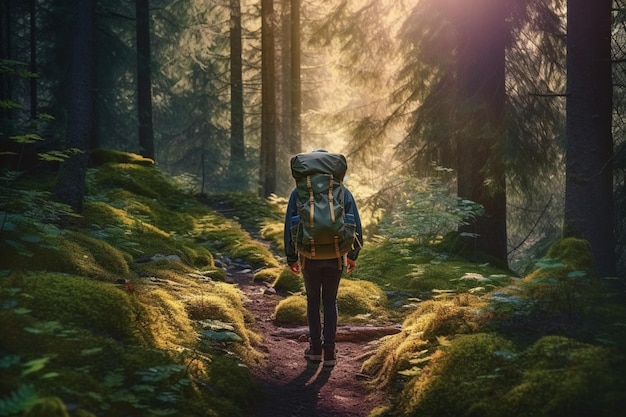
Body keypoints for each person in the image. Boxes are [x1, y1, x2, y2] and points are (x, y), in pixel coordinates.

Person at [283, 155, 364, 367]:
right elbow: (354, 221)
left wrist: (291, 257)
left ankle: (315, 349)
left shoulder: (299, 191)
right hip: (336, 254)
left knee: (312, 301)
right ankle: (330, 352)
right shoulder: (341, 191)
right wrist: (352, 255)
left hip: (308, 255)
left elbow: (289, 225)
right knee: (330, 300)